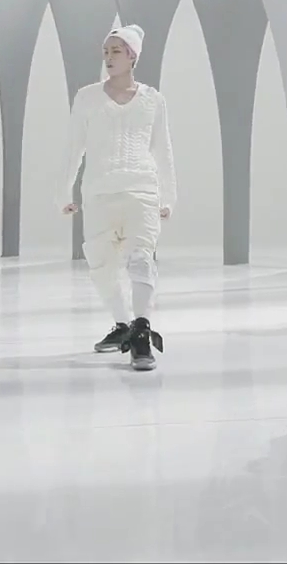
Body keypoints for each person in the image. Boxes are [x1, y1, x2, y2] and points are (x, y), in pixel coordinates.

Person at [57, 25, 177, 371]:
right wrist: (63, 191)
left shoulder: (153, 100)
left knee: (141, 259)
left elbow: (163, 149)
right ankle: (123, 324)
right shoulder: (87, 98)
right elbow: (73, 147)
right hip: (98, 191)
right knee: (100, 265)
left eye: (116, 51)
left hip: (141, 189)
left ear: (132, 56)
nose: (109, 58)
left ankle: (141, 331)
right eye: (106, 51)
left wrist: (168, 196)